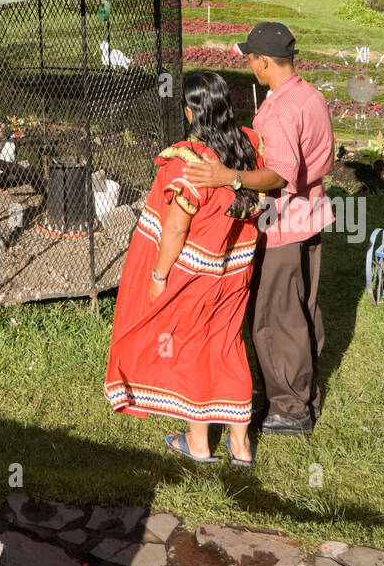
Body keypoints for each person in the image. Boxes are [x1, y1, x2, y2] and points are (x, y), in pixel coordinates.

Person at [104, 70, 266, 465]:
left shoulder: (189, 162)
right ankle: (241, 447)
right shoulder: (247, 148)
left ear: (192, 113)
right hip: (236, 270)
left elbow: (176, 227)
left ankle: (198, 443)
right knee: (227, 345)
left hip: (195, 274)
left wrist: (158, 276)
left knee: (189, 349)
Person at [185, 21, 335, 436]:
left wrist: (228, 177)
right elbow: (321, 161)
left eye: (250, 58)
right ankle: (304, 394)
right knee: (303, 309)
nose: (249, 65)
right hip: (311, 215)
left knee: (275, 319)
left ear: (264, 61)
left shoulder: (283, 108)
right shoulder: (310, 96)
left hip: (283, 224)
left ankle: (289, 408)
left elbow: (279, 175)